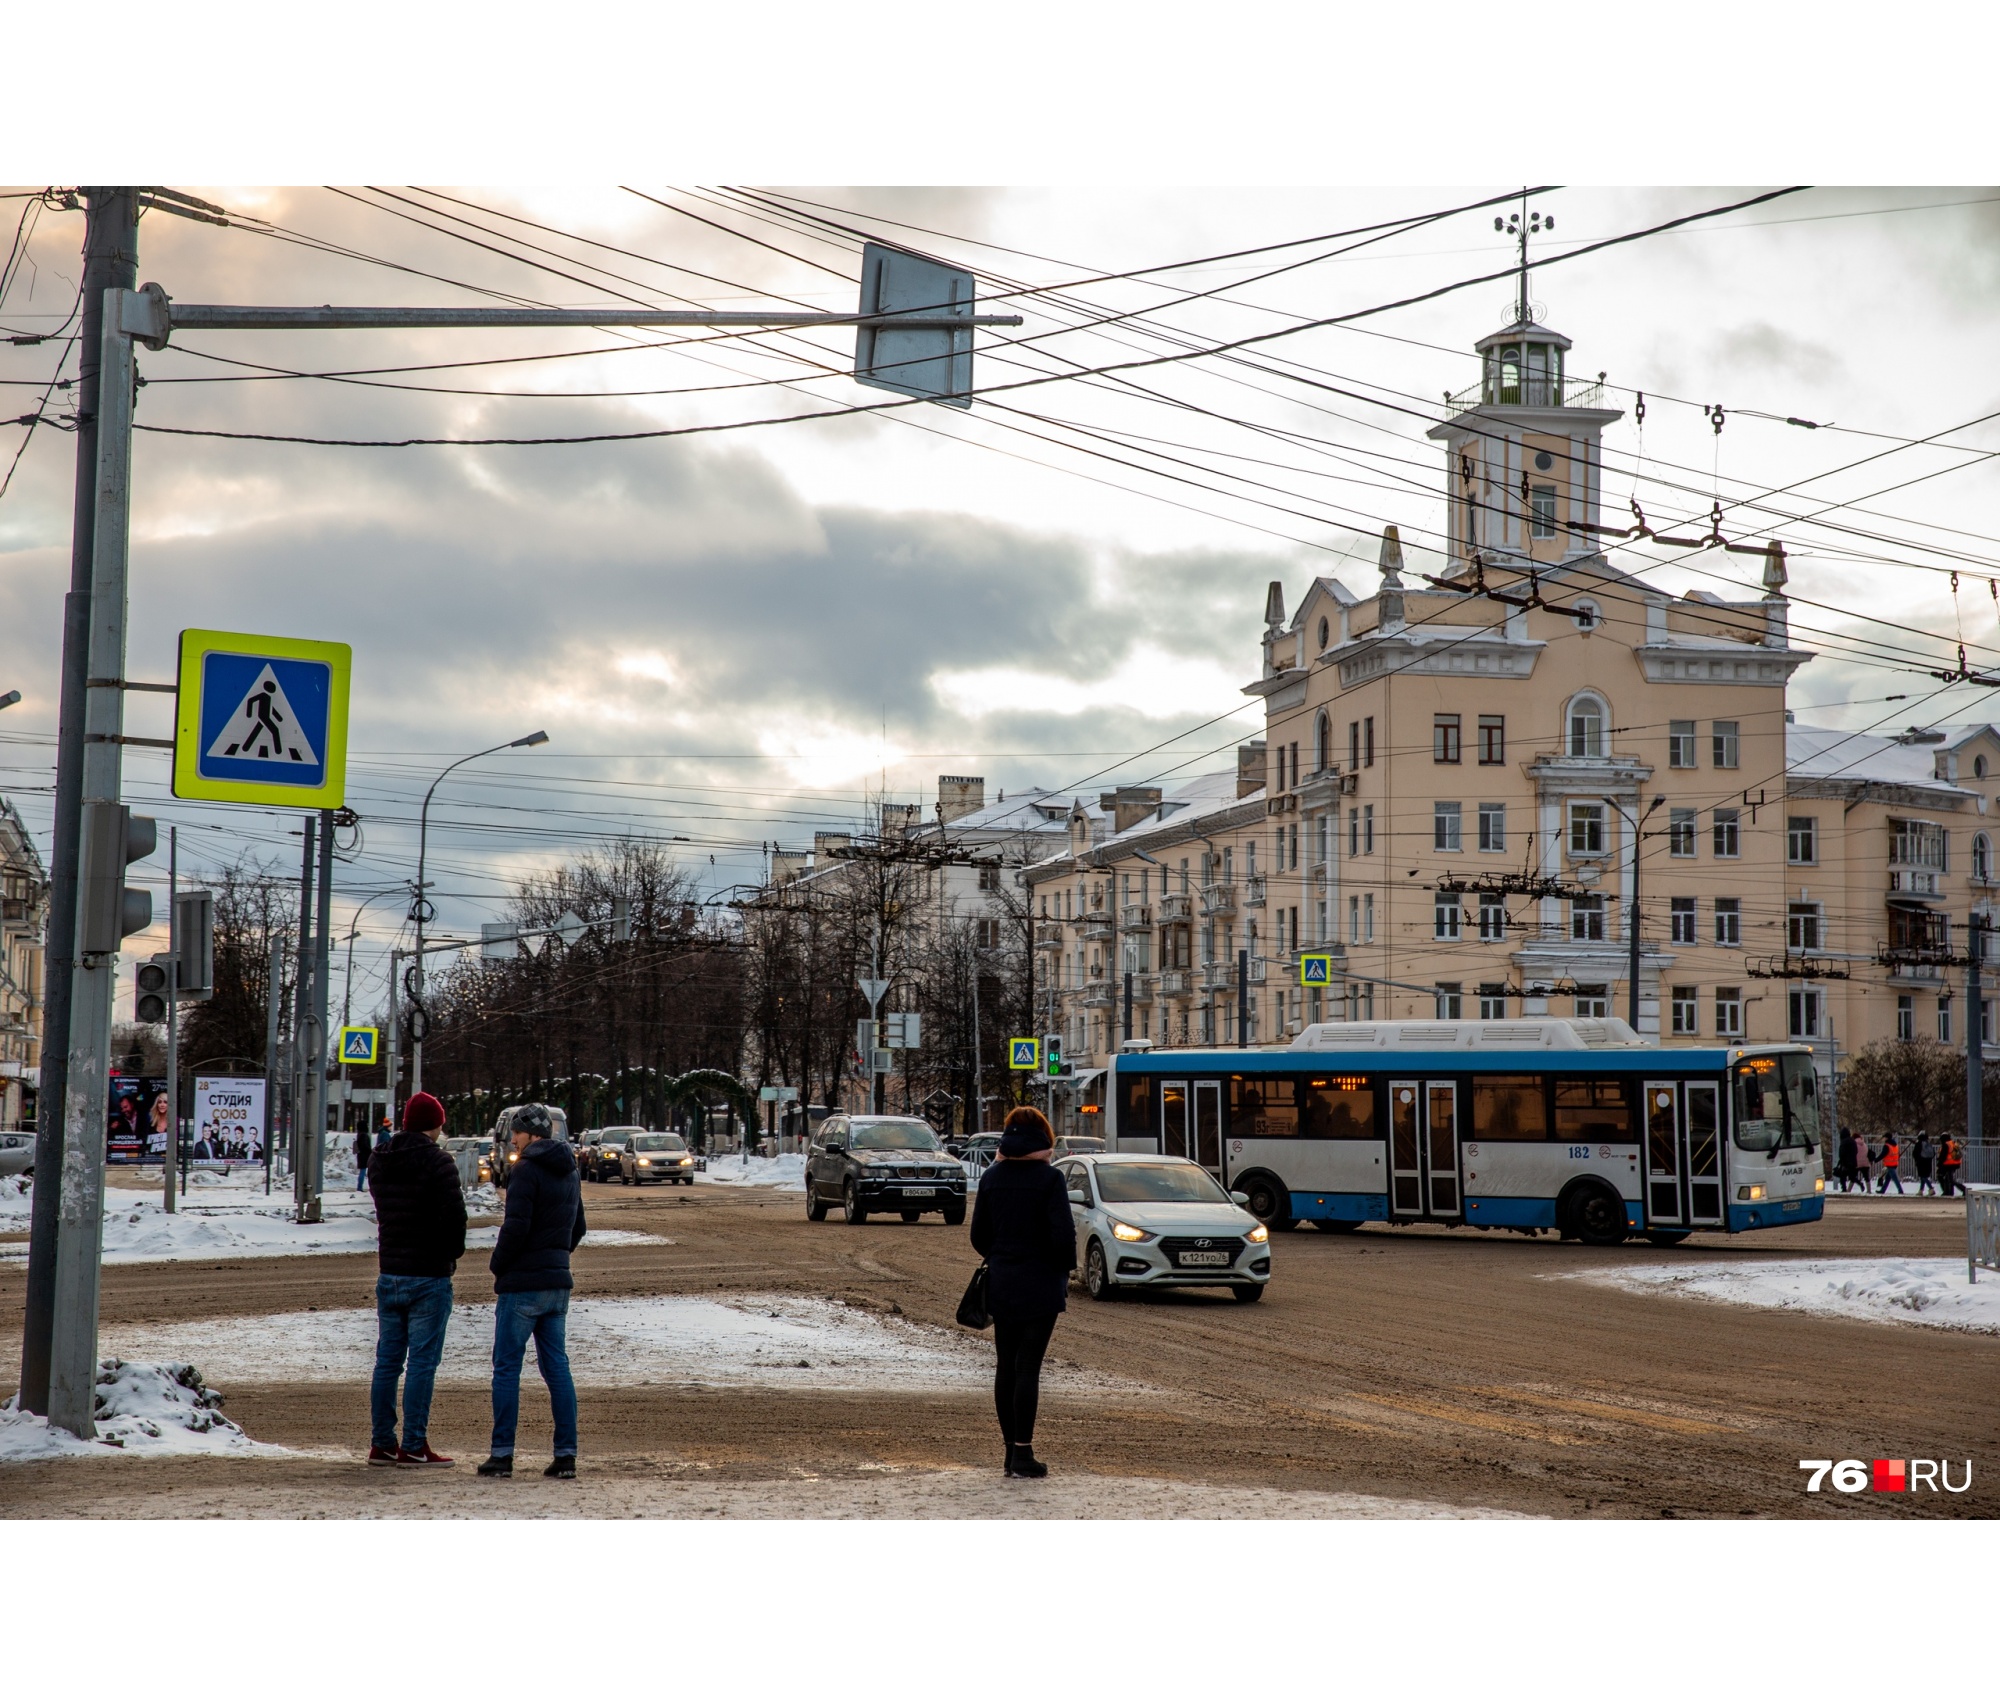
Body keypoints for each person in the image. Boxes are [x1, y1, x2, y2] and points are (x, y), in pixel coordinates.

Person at [478, 1104, 586, 1481]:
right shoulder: (569, 1169)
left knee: (506, 1368)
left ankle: (502, 1455)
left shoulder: (525, 1169)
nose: (513, 1140)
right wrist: (556, 1256)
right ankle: (566, 1455)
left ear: (531, 1134)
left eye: (517, 1133)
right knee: (556, 1368)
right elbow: (579, 1226)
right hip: (557, 1284)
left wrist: (498, 1264)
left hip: (522, 1285)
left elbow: (516, 1226)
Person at [968, 1105, 1076, 1480]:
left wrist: (1002, 1257)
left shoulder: (991, 1177)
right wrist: (1060, 1268)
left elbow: (978, 1236)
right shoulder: (1049, 1179)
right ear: (1044, 1139)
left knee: (1005, 1366)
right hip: (1041, 1284)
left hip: (1003, 1281)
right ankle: (1023, 1454)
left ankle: (1008, 1452)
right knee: (1028, 1367)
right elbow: (1063, 1236)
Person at [365, 1090, 466, 1468]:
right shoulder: (439, 1162)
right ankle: (414, 1444)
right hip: (428, 1275)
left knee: (387, 1362)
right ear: (433, 1124)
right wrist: (450, 1254)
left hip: (389, 1271)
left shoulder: (380, 1160)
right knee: (422, 1363)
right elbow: (455, 1221)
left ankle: (382, 1444)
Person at [1913, 1131, 1937, 1197]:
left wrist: (1917, 1160)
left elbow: (1915, 1153)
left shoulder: (1919, 1144)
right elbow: (1933, 1154)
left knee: (1923, 1176)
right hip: (1928, 1162)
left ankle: (1931, 1188)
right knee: (1923, 1176)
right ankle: (1921, 1190)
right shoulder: (1928, 1144)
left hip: (1921, 1162)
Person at [1835, 1127, 1859, 1194]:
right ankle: (1860, 1184)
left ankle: (1844, 1188)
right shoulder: (1852, 1141)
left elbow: (1841, 1152)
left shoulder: (1843, 1142)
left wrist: (1841, 1160)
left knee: (1843, 1176)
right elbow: (1856, 1151)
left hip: (1845, 1162)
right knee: (1852, 1176)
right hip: (1853, 1161)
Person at [355, 1120, 373, 1193]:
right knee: (364, 1172)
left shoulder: (359, 1134)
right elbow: (365, 1146)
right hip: (365, 1156)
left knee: (362, 1171)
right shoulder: (364, 1135)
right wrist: (370, 1151)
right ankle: (360, 1187)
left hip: (361, 1155)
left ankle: (359, 1187)